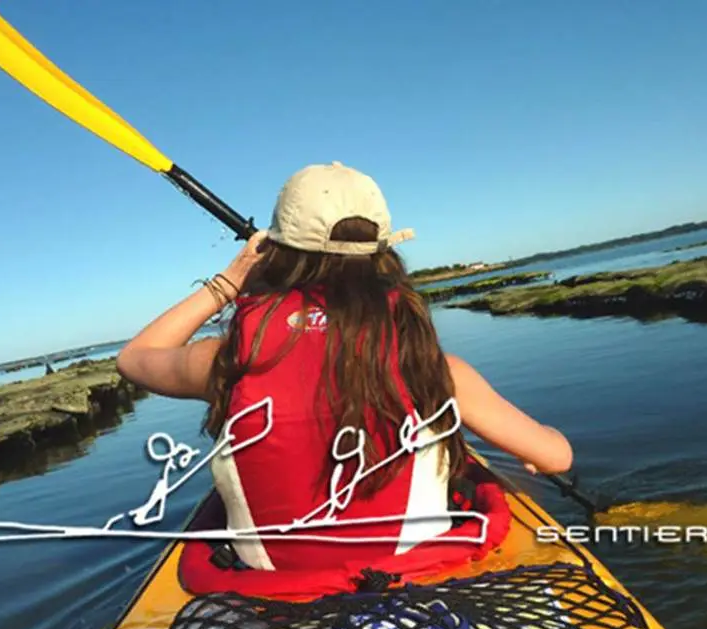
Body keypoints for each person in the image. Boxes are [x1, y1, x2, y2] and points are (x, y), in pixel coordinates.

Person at [116, 161, 573, 572]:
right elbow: (557, 457)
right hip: (416, 582)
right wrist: (533, 444)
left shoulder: (227, 360)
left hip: (274, 595)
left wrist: (230, 281)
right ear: (384, 256)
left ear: (275, 254)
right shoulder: (432, 369)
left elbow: (133, 359)